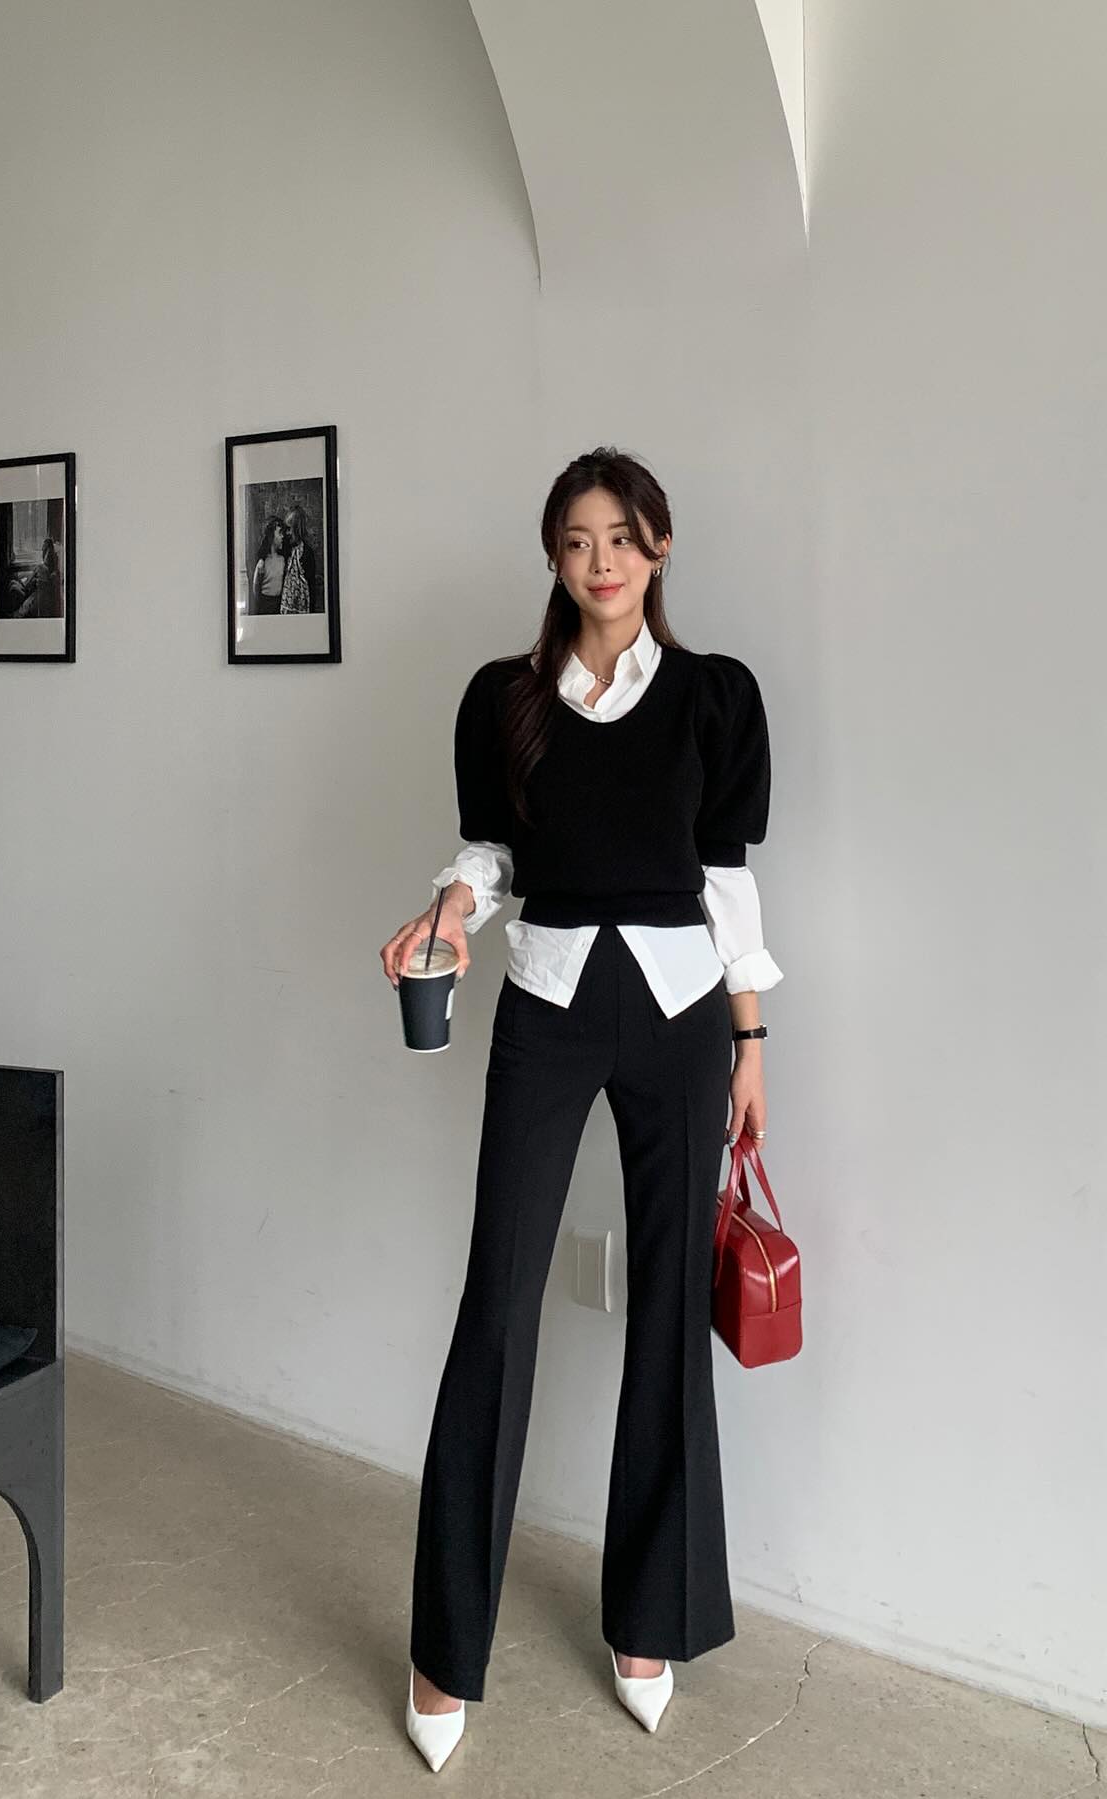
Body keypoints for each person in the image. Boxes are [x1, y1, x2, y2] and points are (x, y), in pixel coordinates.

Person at [380, 446, 782, 1770]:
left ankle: (648, 1620)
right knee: (497, 1301)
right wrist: (449, 909)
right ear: (553, 557)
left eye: (621, 536)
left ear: (659, 545)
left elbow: (725, 881)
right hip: (547, 1004)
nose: (600, 561)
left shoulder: (716, 697)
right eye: (575, 540)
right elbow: (492, 856)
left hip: (680, 1014)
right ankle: (445, 1647)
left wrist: (751, 1042)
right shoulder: (505, 699)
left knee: (669, 1311)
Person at [280, 505, 317, 613]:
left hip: (302, 606)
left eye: (289, 529)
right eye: (286, 529)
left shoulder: (307, 552)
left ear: (298, 529)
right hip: (285, 605)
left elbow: (311, 584)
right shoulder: (285, 549)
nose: (287, 533)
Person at [250, 516, 287, 614]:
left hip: (279, 604)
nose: (282, 536)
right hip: (265, 605)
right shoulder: (262, 562)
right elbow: (256, 587)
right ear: (271, 536)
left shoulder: (283, 560)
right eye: (279, 533)